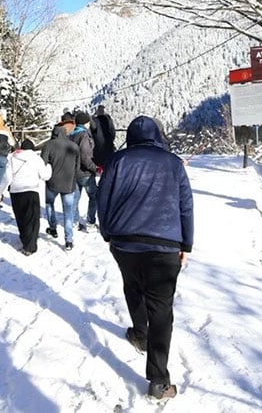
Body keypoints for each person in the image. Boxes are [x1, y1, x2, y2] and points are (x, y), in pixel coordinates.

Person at [96, 115, 194, 400]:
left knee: (132, 285)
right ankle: (159, 380)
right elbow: (186, 206)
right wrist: (186, 243)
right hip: (164, 246)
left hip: (124, 243)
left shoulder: (117, 161)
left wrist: (107, 233)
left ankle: (139, 333)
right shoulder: (173, 163)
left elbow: (104, 201)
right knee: (161, 309)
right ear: (157, 135)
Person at [0, 139, 51, 255]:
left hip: (16, 192)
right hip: (31, 190)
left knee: (21, 218)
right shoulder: (36, 158)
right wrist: (49, 167)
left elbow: (6, 178)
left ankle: (26, 240)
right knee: (33, 219)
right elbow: (45, 176)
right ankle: (30, 244)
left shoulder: (12, 158)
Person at [39, 125, 80, 251]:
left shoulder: (48, 145)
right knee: (68, 212)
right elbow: (77, 167)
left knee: (50, 203)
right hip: (69, 184)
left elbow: (42, 164)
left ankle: (53, 228)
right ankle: (68, 240)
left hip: (52, 183)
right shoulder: (73, 146)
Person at [70, 111, 98, 231]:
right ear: (86, 123)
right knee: (94, 196)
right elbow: (85, 156)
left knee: (75, 198)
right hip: (85, 172)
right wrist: (94, 168)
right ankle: (90, 222)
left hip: (73, 171)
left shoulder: (71, 135)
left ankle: (74, 222)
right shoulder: (84, 135)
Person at [91, 105, 116, 170]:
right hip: (109, 150)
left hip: (97, 152)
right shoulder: (109, 120)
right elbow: (113, 133)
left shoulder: (94, 121)